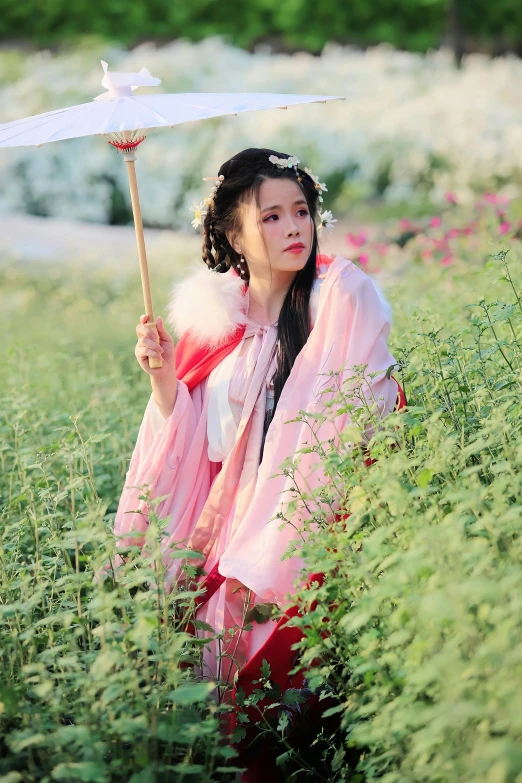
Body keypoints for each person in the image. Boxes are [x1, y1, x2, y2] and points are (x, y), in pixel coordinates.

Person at [115, 147, 406, 778]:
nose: (294, 227)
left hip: (306, 526)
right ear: (232, 233)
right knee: (217, 712)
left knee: (288, 713)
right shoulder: (211, 319)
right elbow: (195, 448)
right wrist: (165, 383)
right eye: (270, 217)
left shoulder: (339, 298)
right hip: (222, 532)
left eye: (301, 210)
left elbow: (354, 417)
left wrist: (280, 542)